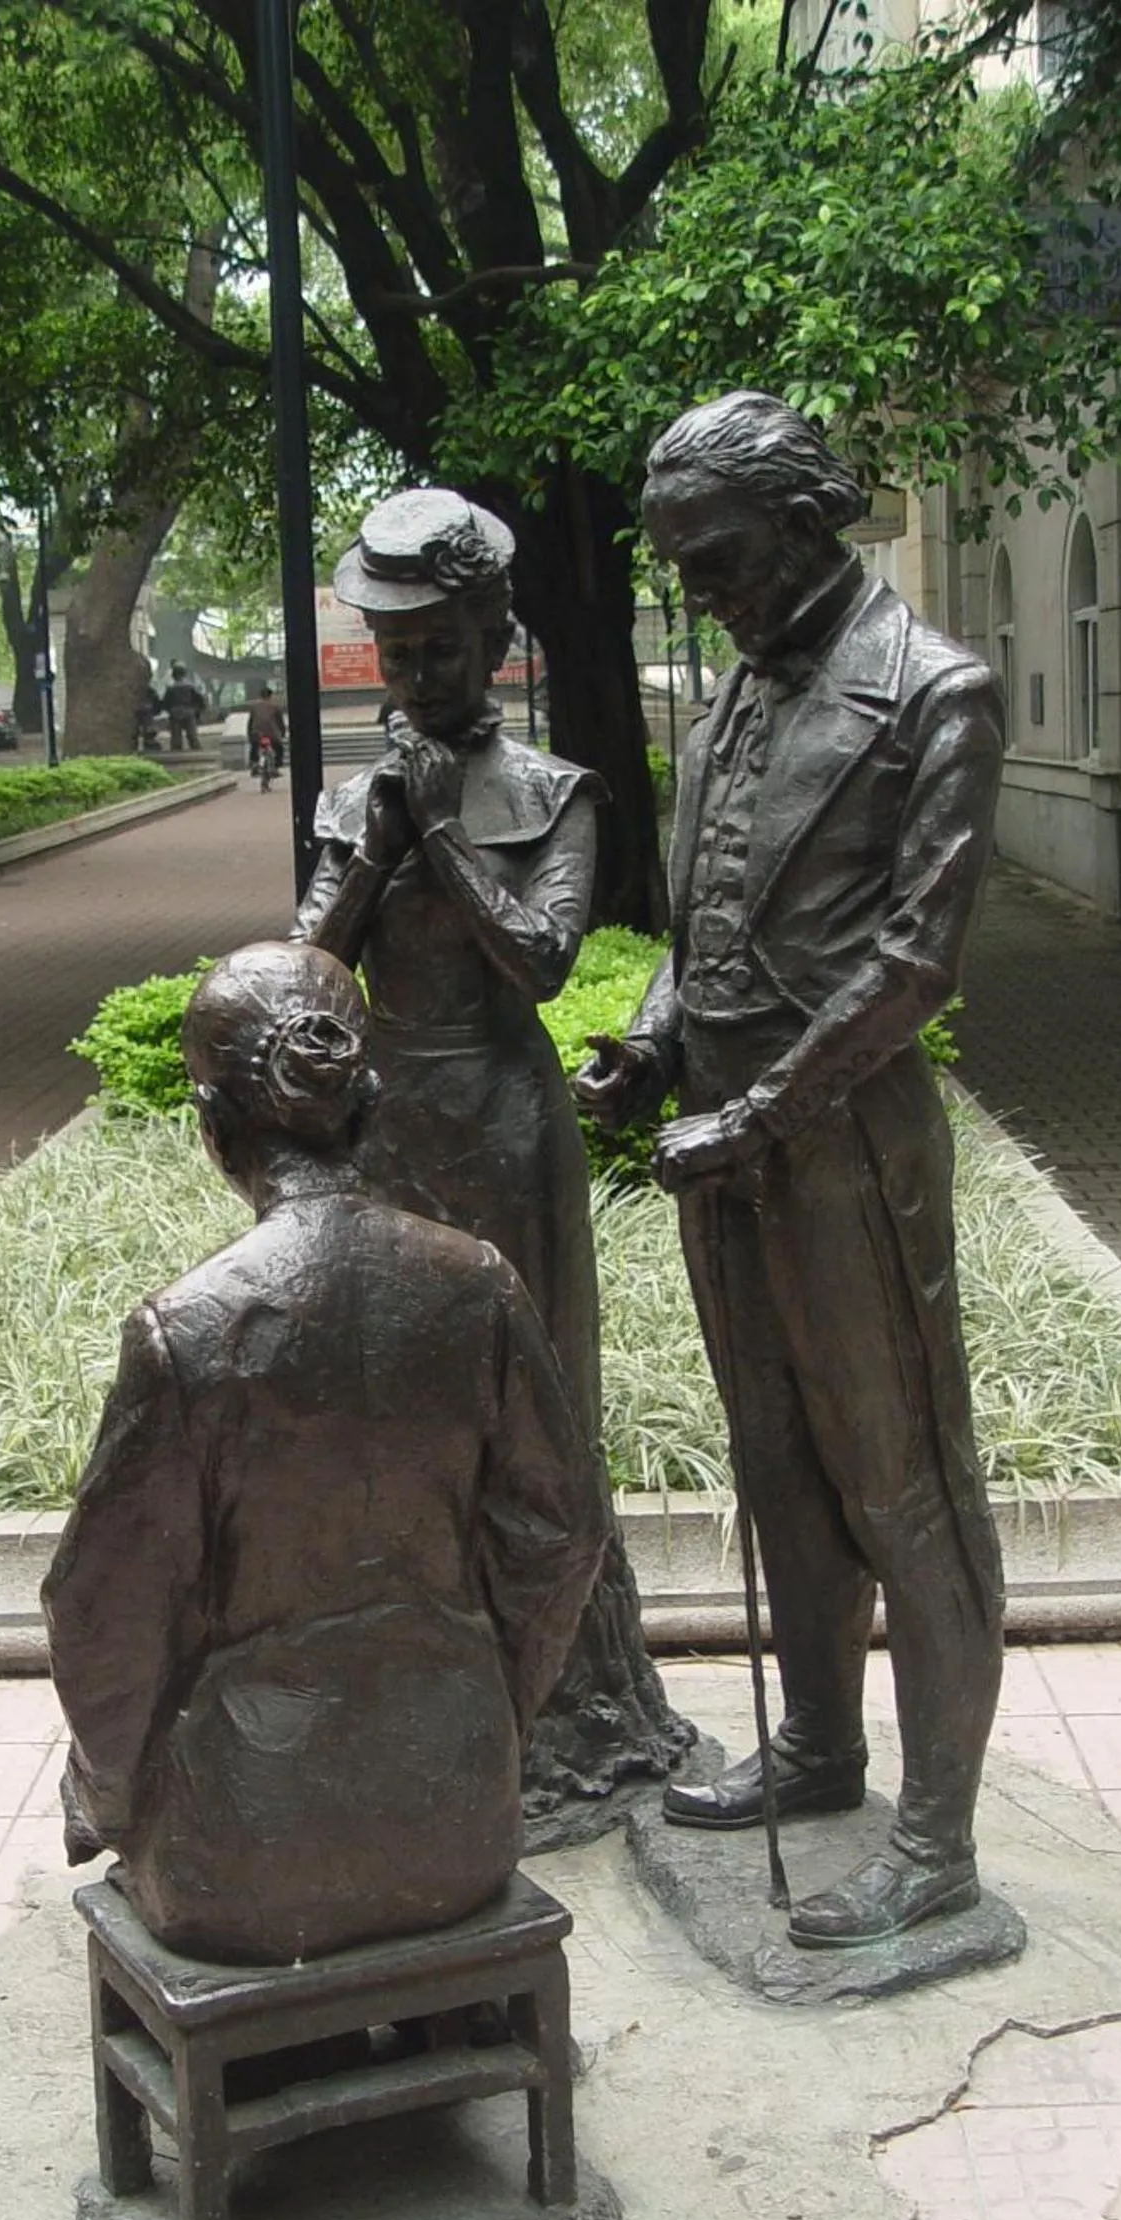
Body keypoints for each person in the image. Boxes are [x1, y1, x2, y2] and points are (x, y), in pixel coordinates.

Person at [575, 390, 1006, 1950]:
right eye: (680, 563)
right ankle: (821, 1750)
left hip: (842, 1151)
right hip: (724, 1151)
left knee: (906, 1484)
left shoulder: (934, 693)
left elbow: (910, 967)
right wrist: (645, 1037)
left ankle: (939, 1838)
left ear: (804, 522)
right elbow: (709, 931)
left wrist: (755, 1115)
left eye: (717, 553)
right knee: (777, 1466)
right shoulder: (726, 708)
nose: (697, 587)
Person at [43, 942, 605, 1965]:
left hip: (247, 1850)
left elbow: (100, 1611)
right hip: (460, 1810)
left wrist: (106, 1796)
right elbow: (561, 1538)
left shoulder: (186, 1332)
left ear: (212, 1129)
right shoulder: (478, 1285)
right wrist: (484, 1713)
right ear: (372, 1097)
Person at [294, 487, 692, 1827]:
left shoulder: (558, 793)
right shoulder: (358, 796)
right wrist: (376, 847)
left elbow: (540, 958)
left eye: (440, 654)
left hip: (511, 1132)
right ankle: (412, 1690)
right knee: (399, 1404)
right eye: (394, 657)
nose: (414, 680)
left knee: (534, 1401)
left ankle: (568, 1703)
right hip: (390, 1129)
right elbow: (310, 973)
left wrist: (449, 839)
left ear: (496, 639)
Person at [245, 685, 287, 779]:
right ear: (271, 696)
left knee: (254, 748)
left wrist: (250, 735)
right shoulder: (275, 707)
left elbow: (250, 723)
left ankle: (254, 765)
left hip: (257, 734)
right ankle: (276, 767)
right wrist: (282, 733)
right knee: (279, 748)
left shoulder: (254, 707)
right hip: (272, 734)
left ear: (260, 696)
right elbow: (280, 722)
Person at [163, 663, 205, 752]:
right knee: (192, 736)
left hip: (175, 714)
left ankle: (176, 755)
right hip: (189, 713)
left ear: (173, 675)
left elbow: (166, 703)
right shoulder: (190, 686)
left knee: (176, 738)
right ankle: (197, 753)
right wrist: (197, 711)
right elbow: (200, 700)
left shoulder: (171, 688)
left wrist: (170, 711)